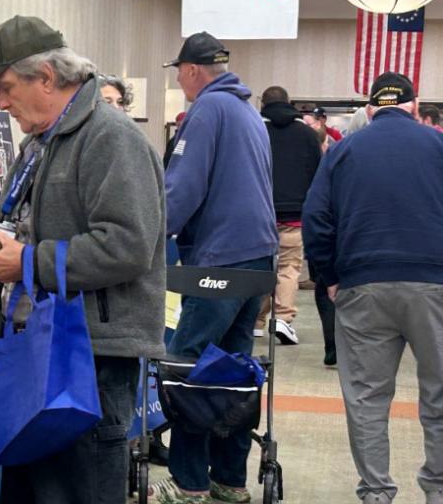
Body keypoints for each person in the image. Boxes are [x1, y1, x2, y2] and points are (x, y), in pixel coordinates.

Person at [0, 15, 166, 504]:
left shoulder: (111, 139)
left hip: (89, 362)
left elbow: (129, 245)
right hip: (29, 358)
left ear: (46, 77)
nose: (1, 102)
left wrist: (32, 262)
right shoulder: (36, 148)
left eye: (6, 86)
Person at [303, 72, 443, 504]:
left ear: (370, 108)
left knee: (367, 398)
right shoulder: (438, 145)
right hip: (434, 283)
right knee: (439, 395)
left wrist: (330, 276)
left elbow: (316, 217)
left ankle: (377, 493)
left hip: (362, 283)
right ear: (414, 106)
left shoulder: (343, 150)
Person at [161, 31, 277, 504]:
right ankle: (229, 480)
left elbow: (182, 188)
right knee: (233, 371)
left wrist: (149, 235)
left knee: (187, 368)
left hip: (220, 260)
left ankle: (188, 484)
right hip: (257, 258)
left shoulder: (208, 109)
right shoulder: (249, 111)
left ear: (191, 71)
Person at [252, 86, 322, 345]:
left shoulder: (256, 130)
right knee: (289, 268)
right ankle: (282, 317)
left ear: (263, 103)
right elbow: (318, 172)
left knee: (259, 266)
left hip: (260, 213)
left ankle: (256, 321)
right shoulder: (306, 133)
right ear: (289, 103)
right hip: (294, 213)